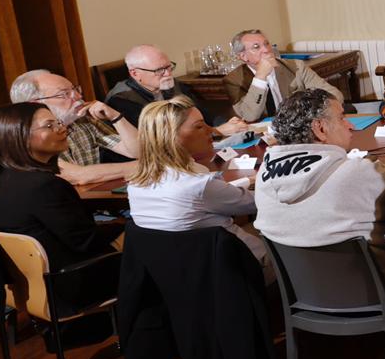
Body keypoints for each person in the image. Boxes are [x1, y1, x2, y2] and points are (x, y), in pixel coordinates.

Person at [0, 103, 122, 309]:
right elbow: (86, 242)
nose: (62, 129)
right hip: (71, 285)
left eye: (58, 123)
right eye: (49, 125)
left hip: (33, 286)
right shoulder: (44, 185)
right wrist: (122, 225)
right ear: (19, 137)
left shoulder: (1, 180)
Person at [254, 89, 385, 255]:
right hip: (374, 268)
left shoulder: (263, 176)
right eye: (342, 118)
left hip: (295, 271)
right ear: (320, 129)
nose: (351, 126)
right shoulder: (358, 173)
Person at [125, 97, 265, 267]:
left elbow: (207, 196)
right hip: (240, 268)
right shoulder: (199, 186)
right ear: (171, 136)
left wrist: (245, 181)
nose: (210, 130)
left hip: (179, 272)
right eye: (199, 126)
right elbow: (261, 203)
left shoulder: (135, 185)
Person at [10, 69, 138, 184]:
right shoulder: (29, 136)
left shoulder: (83, 120)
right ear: (35, 104)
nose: (78, 96)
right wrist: (144, 166)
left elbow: (137, 151)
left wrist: (115, 116)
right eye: (64, 94)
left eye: (75, 89)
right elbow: (77, 176)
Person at [106, 44, 248, 134]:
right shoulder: (122, 100)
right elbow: (160, 137)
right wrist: (216, 131)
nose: (168, 74)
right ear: (135, 74)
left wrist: (226, 123)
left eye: (169, 67)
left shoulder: (171, 84)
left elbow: (200, 110)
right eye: (159, 70)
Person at [222, 29, 339, 123]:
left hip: (297, 125)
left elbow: (334, 95)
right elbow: (249, 116)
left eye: (266, 44)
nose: (266, 50)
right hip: (262, 134)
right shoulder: (234, 80)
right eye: (256, 47)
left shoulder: (295, 66)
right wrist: (260, 77)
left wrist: (308, 115)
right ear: (243, 57)